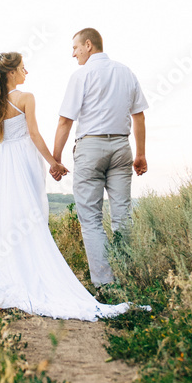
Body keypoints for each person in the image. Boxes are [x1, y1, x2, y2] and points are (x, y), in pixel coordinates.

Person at [0, 51, 144, 320]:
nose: (27, 72)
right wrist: (53, 162)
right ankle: (29, 267)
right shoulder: (26, 98)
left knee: (4, 216)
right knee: (27, 215)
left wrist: (1, 150)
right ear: (11, 72)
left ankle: (9, 265)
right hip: (23, 161)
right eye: (24, 68)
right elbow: (34, 134)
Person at [52, 28, 148, 291]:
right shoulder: (126, 72)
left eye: (75, 48)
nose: (73, 54)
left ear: (88, 45)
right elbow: (138, 115)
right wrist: (140, 154)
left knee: (91, 219)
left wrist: (55, 159)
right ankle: (127, 277)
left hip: (91, 147)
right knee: (122, 217)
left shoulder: (81, 75)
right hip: (121, 146)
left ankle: (105, 284)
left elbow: (65, 120)